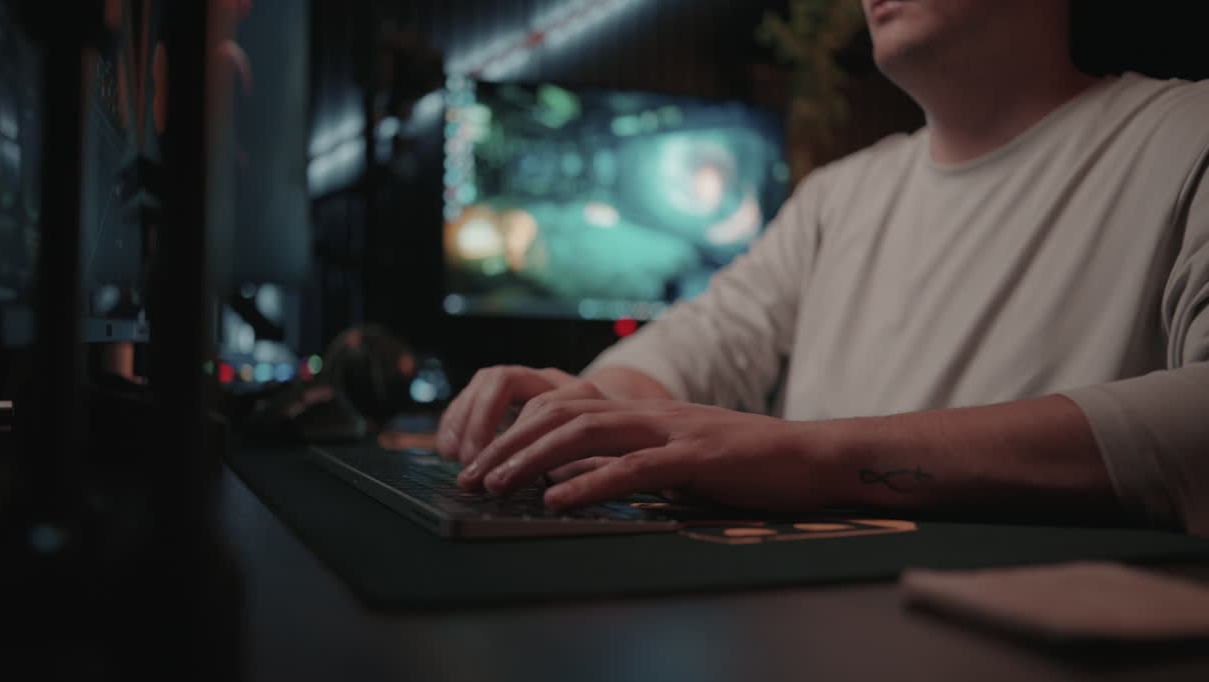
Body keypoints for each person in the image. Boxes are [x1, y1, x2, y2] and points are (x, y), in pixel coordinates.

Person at [435, 0, 1209, 535]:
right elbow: (699, 344)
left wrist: (810, 457)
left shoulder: (1183, 135)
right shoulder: (840, 195)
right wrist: (586, 407)